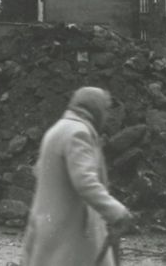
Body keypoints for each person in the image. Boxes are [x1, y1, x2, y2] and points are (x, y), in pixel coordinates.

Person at [20, 86, 134, 266]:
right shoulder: (78, 134)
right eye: (105, 109)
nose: (107, 116)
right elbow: (85, 182)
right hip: (71, 233)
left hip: (52, 229)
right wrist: (115, 211)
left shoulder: (57, 130)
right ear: (95, 109)